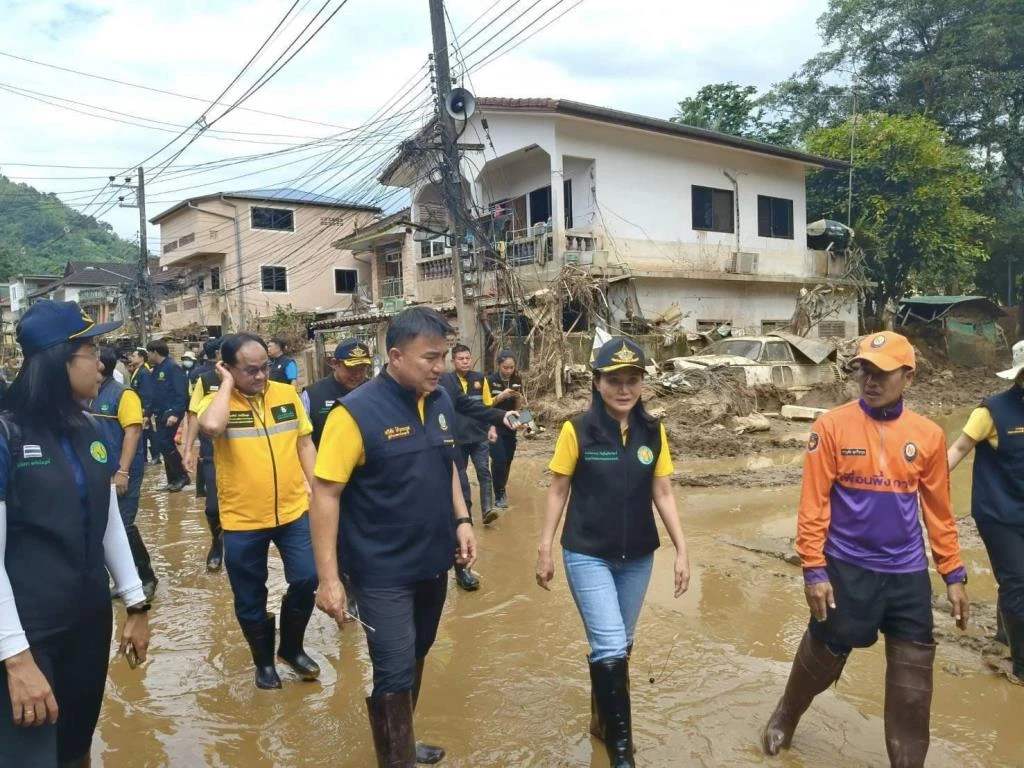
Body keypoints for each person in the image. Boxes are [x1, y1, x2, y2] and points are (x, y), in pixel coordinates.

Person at [761, 331, 970, 767]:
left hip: (906, 573)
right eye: (864, 371)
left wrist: (953, 575)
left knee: (914, 685)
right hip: (847, 568)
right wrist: (814, 570)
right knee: (823, 654)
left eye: (882, 373)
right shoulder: (831, 427)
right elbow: (813, 503)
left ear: (907, 378)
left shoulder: (928, 436)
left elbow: (939, 512)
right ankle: (787, 713)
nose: (870, 381)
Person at [310, 306, 478, 767]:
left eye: (443, 356)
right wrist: (329, 579)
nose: (439, 367)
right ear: (396, 356)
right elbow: (325, 495)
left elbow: (445, 466)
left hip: (432, 559)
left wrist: (462, 520)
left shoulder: (440, 400)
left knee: (418, 651)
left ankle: (401, 739)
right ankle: (397, 759)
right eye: (430, 358)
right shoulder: (355, 412)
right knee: (394, 664)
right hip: (379, 568)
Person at [0, 300, 150, 767]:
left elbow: (107, 523)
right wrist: (16, 657)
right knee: (30, 756)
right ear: (57, 360)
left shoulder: (90, 430)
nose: (102, 363)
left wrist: (136, 602)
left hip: (88, 618)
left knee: (77, 747)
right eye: (92, 350)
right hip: (30, 628)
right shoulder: (7, 435)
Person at [536, 338, 689, 768]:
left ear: (642, 383)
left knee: (622, 643)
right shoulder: (577, 430)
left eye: (633, 380)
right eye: (614, 380)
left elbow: (663, 491)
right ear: (598, 383)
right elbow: (557, 490)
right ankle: (622, 753)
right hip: (587, 552)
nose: (624, 389)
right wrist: (544, 548)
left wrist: (682, 549)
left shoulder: (653, 432)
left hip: (638, 555)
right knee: (609, 644)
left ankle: (602, 722)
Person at [197, 333, 319, 690]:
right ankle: (264, 663)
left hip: (293, 511)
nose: (262, 376)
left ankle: (291, 649)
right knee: (250, 596)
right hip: (242, 520)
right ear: (229, 368)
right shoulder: (215, 401)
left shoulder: (286, 394)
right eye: (250, 370)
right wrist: (227, 386)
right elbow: (211, 427)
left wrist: (318, 491)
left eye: (265, 367)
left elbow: (304, 442)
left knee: (307, 579)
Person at [946, 339, 1024, 684]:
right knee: (1018, 582)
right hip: (999, 512)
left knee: (1013, 581)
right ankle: (1021, 665)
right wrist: (920, 487)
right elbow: (959, 448)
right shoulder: (992, 410)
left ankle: (1004, 637)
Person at [92, 346, 157, 599]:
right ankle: (123, 581)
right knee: (108, 525)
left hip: (123, 470)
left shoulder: (123, 395)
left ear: (101, 366)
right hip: (99, 472)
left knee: (125, 525)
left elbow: (133, 432)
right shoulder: (87, 394)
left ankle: (147, 577)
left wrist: (123, 471)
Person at [441, 344, 497, 523]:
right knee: (460, 476)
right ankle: (466, 515)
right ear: (453, 361)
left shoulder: (480, 379)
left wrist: (492, 427)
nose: (465, 362)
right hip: (457, 438)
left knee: (483, 471)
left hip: (479, 435)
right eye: (461, 359)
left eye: (467, 358)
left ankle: (488, 509)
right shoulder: (446, 382)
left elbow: (487, 406)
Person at [183, 337, 224, 571]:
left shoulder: (251, 382)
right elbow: (194, 414)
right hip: (212, 453)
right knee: (213, 507)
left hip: (244, 454)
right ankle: (216, 543)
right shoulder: (206, 380)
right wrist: (188, 449)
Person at [301, 338, 373, 448]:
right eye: (351, 369)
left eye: (362, 369)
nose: (357, 375)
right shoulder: (312, 395)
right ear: (334, 363)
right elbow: (304, 442)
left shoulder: (374, 391)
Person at [486, 350, 522, 509]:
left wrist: (523, 422)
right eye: (505, 367)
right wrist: (501, 396)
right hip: (494, 426)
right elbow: (484, 406)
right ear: (499, 365)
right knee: (498, 460)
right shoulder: (489, 381)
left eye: (511, 367)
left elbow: (518, 406)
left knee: (508, 459)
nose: (509, 371)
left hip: (511, 426)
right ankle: (499, 493)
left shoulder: (517, 379)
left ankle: (502, 487)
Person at [128, 347, 160, 465]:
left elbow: (147, 393)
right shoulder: (137, 371)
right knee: (145, 433)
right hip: (139, 408)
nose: (131, 357)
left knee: (150, 433)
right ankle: (146, 457)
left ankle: (156, 456)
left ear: (141, 358)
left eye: (134, 356)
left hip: (145, 409)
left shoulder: (144, 372)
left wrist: (146, 411)